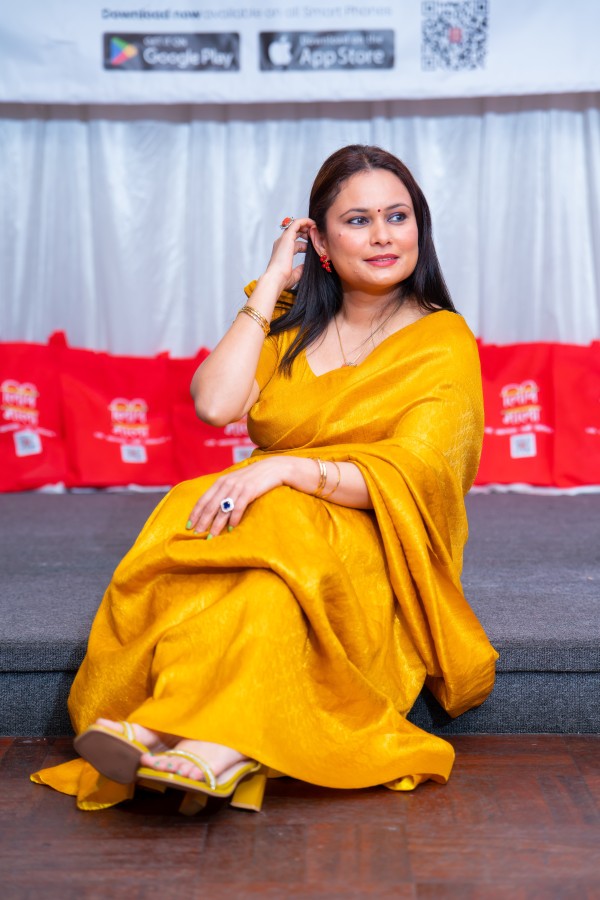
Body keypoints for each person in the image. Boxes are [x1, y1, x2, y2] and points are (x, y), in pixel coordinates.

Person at [32, 144, 498, 813]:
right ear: (321, 243)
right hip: (269, 518)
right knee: (250, 576)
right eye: (358, 220)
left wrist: (285, 468)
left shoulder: (441, 339)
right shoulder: (291, 323)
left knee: (275, 557)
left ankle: (174, 735)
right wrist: (273, 282)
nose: (383, 235)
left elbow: (421, 475)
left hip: (373, 540)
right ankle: (203, 746)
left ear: (418, 229)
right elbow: (215, 403)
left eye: (397, 216)